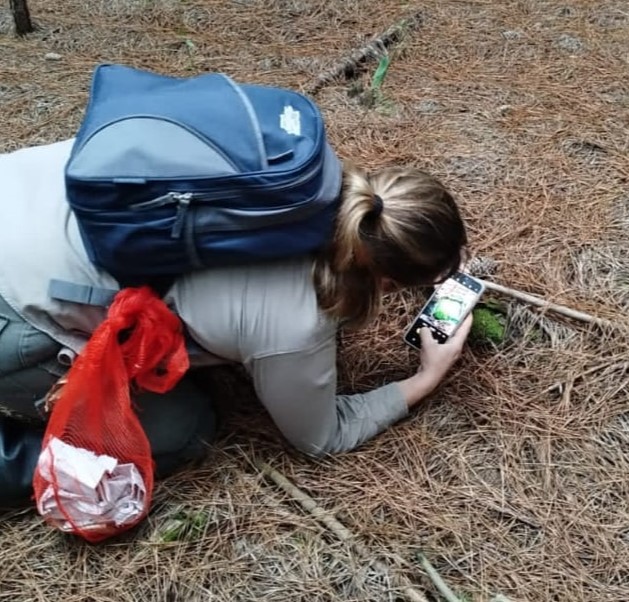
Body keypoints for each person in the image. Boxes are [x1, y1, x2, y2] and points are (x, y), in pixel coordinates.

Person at [0, 138, 473, 509]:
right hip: (15, 307)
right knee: (183, 430)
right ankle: (10, 459)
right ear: (386, 280)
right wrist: (425, 378)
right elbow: (322, 437)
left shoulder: (299, 165)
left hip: (24, 190)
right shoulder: (298, 323)